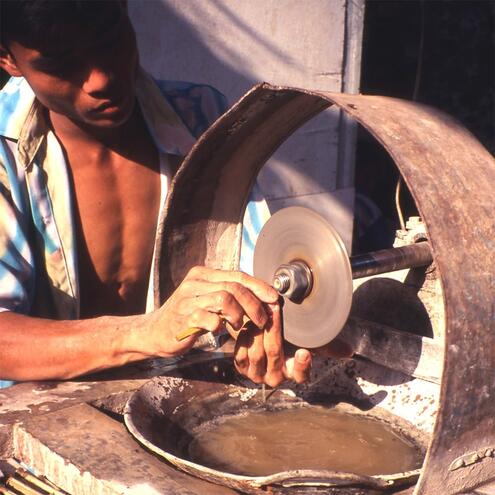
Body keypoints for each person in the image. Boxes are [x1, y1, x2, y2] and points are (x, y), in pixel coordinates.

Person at [0, 0, 349, 388]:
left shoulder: (200, 117)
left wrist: (275, 336)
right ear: (8, 59)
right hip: (37, 414)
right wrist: (143, 333)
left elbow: (253, 274)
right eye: (62, 63)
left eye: (109, 39)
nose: (100, 78)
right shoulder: (3, 151)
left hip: (172, 389)